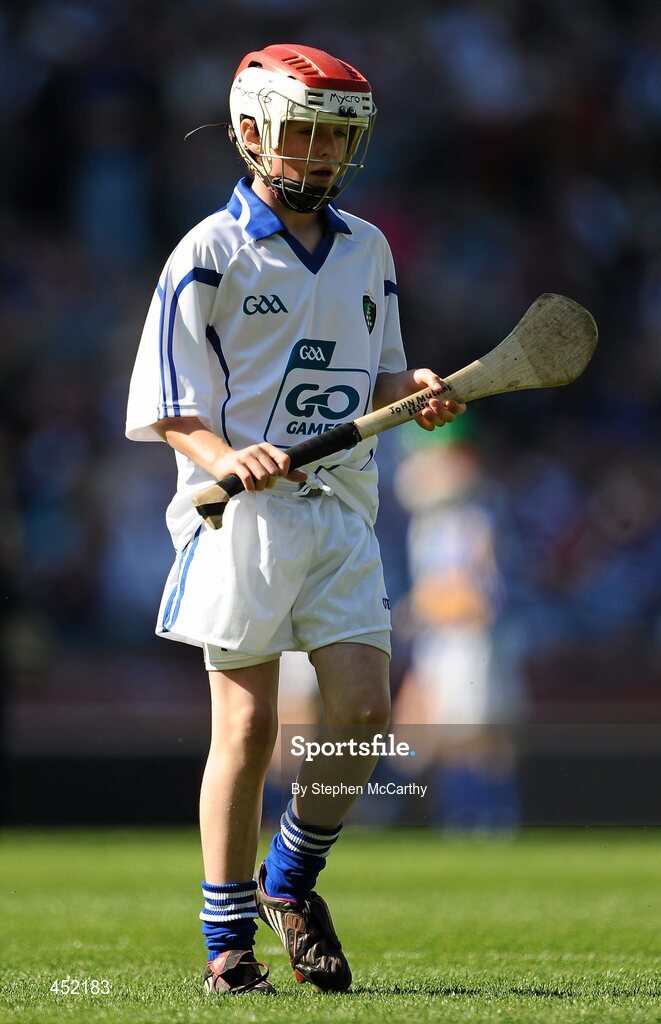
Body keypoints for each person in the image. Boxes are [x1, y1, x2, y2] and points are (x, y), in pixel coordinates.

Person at [126, 43, 465, 996]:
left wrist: (418, 389)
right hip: (242, 519)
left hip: (342, 507)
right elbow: (167, 402)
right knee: (246, 727)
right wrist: (226, 457)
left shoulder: (367, 247)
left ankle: (291, 881)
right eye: (303, 134)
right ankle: (226, 943)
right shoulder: (208, 251)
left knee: (362, 713)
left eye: (335, 139)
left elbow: (381, 372)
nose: (318, 156)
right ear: (249, 131)